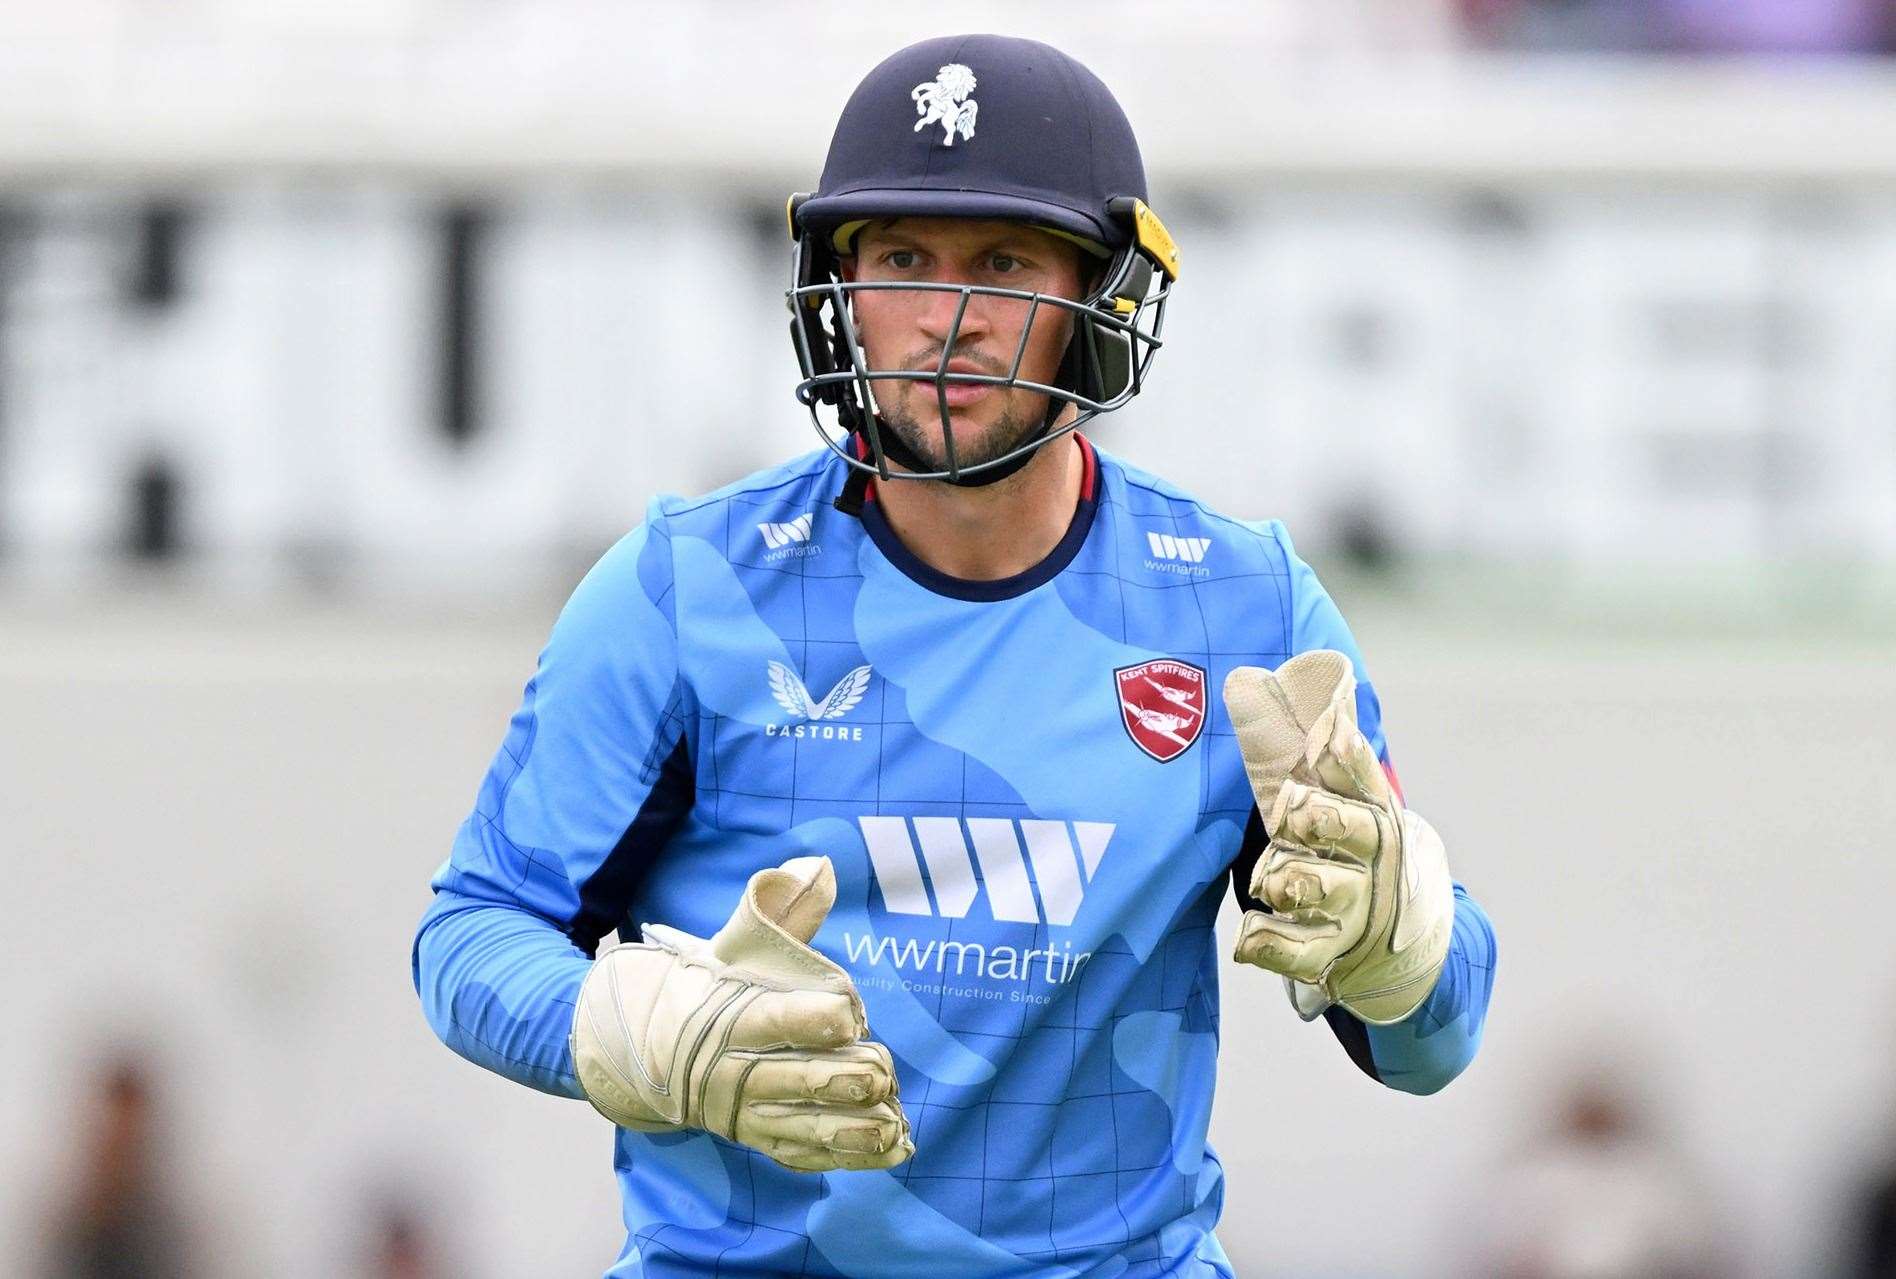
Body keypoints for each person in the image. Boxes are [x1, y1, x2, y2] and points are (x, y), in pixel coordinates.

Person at [413, 33, 1497, 1278]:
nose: (944, 317)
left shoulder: (1242, 609)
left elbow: (1436, 1046)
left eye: (1002, 261)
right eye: (902, 258)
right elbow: (472, 936)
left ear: (1102, 301)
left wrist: (1392, 938)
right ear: (840, 286)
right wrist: (648, 1032)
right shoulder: (686, 588)